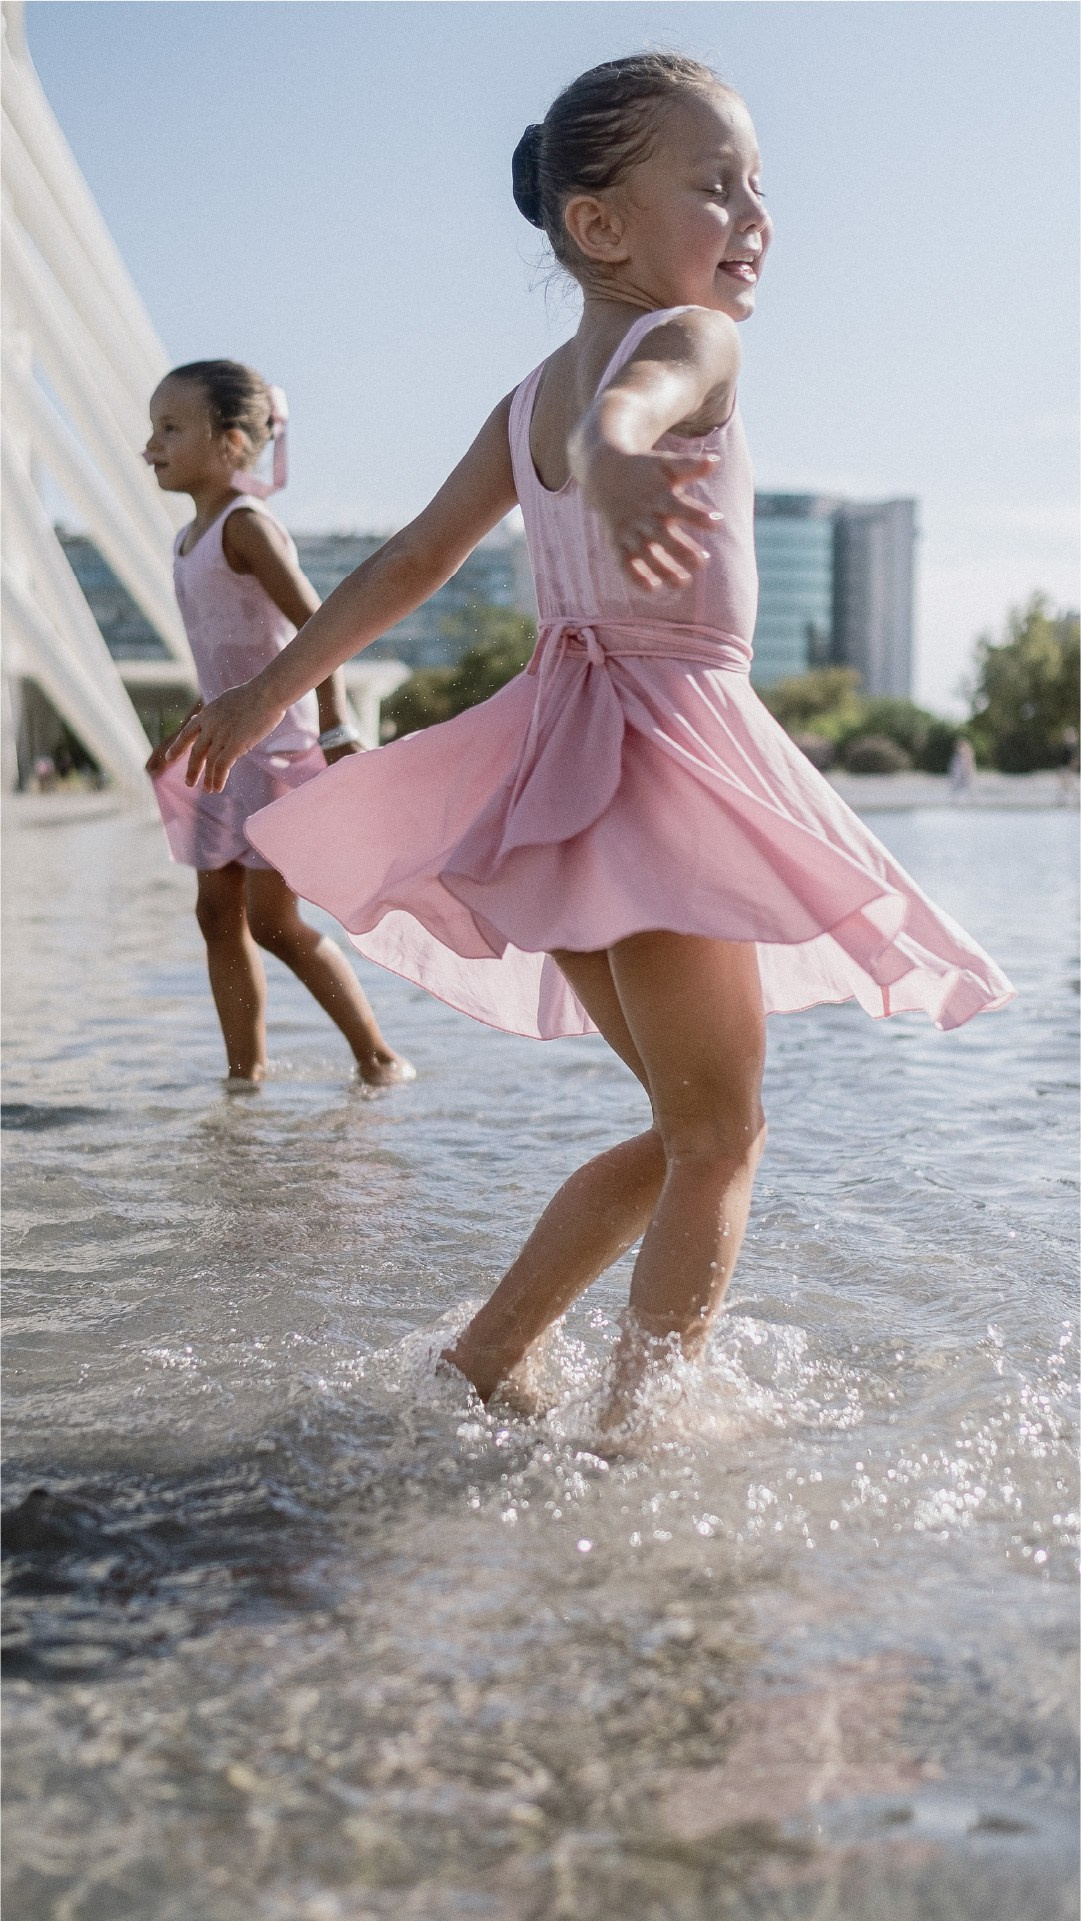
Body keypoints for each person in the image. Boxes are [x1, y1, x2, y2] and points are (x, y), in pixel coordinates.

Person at [164, 57, 1014, 1420]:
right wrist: (617, 450)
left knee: (691, 1128)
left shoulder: (531, 394)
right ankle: (640, 1433)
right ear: (598, 227)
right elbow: (640, 401)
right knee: (721, 1133)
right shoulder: (686, 343)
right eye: (715, 184)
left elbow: (412, 560)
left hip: (553, 779)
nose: (753, 213)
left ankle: (490, 1355)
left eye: (757, 185)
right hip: (653, 766)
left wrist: (271, 692)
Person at [144, 359, 414, 1088]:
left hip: (278, 751)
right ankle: (244, 1076)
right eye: (152, 429)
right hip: (219, 751)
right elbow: (223, 665)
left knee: (272, 922)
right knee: (214, 912)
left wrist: (332, 726)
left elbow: (322, 628)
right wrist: (178, 738)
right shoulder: (185, 539)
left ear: (232, 442)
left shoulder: (247, 527)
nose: (150, 446)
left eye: (170, 428)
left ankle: (378, 1055)